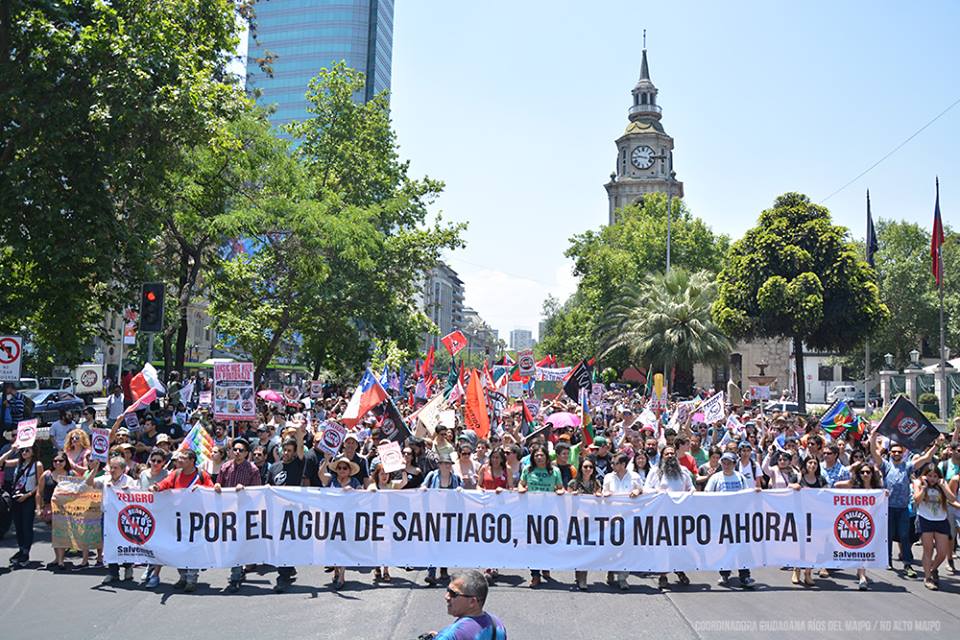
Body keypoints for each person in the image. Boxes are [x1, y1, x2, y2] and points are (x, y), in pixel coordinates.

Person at [870, 427, 937, 578]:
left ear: (903, 453)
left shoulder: (907, 466)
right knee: (888, 535)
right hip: (887, 508)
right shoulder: (885, 466)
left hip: (903, 508)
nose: (896, 454)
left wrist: (936, 446)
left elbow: (926, 458)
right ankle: (887, 560)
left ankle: (907, 563)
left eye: (899, 452)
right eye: (894, 452)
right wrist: (873, 437)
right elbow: (874, 453)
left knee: (904, 536)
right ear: (890, 453)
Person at [148, 449, 213, 591]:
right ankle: (182, 576)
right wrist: (156, 487)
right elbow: (165, 483)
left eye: (183, 458)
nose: (179, 460)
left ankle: (191, 579)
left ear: (191, 461)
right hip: (178, 518)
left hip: (196, 519)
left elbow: (211, 491)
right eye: (179, 458)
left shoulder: (202, 475)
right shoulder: (176, 473)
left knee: (193, 548)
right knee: (179, 547)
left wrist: (200, 488)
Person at [215, 437, 262, 593]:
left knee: (241, 544)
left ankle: (237, 574)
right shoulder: (225, 467)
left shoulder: (252, 470)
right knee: (232, 543)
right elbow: (219, 484)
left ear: (247, 453)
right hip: (228, 512)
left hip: (245, 513)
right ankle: (236, 573)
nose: (237, 452)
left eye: (241, 450)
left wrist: (245, 489)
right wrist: (216, 486)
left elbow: (258, 492)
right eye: (235, 450)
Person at [643, 446, 694, 589]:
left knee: (679, 546)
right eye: (667, 454)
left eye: (672, 453)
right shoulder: (655, 472)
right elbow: (646, 489)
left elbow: (691, 489)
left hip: (679, 516)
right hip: (661, 516)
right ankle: (663, 576)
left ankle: (679, 570)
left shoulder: (683, 471)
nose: (670, 456)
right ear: (662, 456)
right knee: (662, 547)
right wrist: (659, 493)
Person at [704, 452, 757, 589]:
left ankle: (744, 575)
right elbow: (707, 495)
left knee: (742, 547)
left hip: (739, 518)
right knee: (725, 547)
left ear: (734, 464)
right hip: (722, 519)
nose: (726, 465)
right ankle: (724, 573)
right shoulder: (716, 478)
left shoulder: (740, 477)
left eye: (729, 463)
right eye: (724, 462)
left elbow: (746, 494)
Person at [87, 456, 137, 584]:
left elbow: (137, 497)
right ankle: (113, 572)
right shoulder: (105, 479)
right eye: (111, 467)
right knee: (109, 545)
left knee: (125, 542)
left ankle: (128, 568)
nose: (113, 470)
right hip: (108, 517)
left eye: (116, 468)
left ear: (123, 469)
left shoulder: (129, 480)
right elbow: (88, 483)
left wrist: (129, 491)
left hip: (124, 517)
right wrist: (95, 469)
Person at [835, 461, 884, 589]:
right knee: (860, 547)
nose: (865, 474)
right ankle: (862, 576)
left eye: (868, 472)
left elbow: (882, 498)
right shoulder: (854, 485)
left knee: (866, 548)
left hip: (871, 521)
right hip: (856, 520)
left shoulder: (877, 488)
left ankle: (861, 572)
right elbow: (836, 485)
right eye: (862, 472)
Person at [267, 427, 305, 592]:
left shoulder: (298, 463)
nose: (287, 453)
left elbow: (302, 450)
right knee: (281, 543)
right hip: (277, 511)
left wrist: (299, 434)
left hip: (293, 511)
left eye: (290, 450)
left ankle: (282, 576)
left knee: (287, 542)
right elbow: (268, 488)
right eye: (285, 449)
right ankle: (287, 569)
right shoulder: (274, 467)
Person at [913, 463, 960, 590]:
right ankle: (928, 578)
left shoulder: (942, 484)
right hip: (924, 518)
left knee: (942, 553)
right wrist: (924, 487)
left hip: (940, 519)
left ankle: (932, 569)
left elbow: (952, 498)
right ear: (925, 476)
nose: (932, 478)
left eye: (935, 476)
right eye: (929, 476)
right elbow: (917, 500)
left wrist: (943, 486)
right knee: (928, 550)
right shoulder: (919, 483)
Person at [602, 452, 643, 590]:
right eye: (612, 463)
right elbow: (603, 493)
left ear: (623, 464)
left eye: (616, 463)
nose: (613, 465)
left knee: (626, 548)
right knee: (612, 547)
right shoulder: (608, 477)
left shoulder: (635, 477)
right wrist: (606, 494)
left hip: (629, 517)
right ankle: (611, 570)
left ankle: (623, 577)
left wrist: (638, 491)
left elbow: (642, 490)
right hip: (612, 517)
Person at [0, 440, 44, 567]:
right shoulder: (18, 462)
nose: (24, 452)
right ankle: (21, 549)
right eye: (22, 450)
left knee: (26, 526)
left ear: (33, 451)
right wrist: (12, 450)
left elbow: (39, 485)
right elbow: (1, 462)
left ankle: (26, 552)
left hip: (28, 498)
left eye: (27, 450)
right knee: (18, 526)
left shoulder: (37, 464)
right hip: (16, 497)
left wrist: (28, 495)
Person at [428, 570, 507, 640]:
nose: (446, 597)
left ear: (472, 602)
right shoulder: (497, 624)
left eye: (453, 593)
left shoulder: (451, 634)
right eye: (448, 590)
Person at [422, 452, 462, 587]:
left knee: (445, 544)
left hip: (449, 516)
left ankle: (444, 569)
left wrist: (459, 490)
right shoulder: (432, 476)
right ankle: (431, 573)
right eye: (443, 463)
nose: (446, 466)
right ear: (439, 465)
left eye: (448, 464)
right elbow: (423, 486)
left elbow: (461, 493)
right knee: (433, 543)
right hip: (434, 515)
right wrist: (423, 489)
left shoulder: (455, 478)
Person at [43, 453, 73, 568]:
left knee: (61, 534)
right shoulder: (47, 474)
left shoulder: (71, 474)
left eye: (60, 461)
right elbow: (40, 492)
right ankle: (58, 558)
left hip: (66, 508)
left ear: (65, 462)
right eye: (55, 461)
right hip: (50, 508)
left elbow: (78, 490)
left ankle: (61, 560)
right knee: (55, 534)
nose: (58, 463)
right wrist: (39, 507)